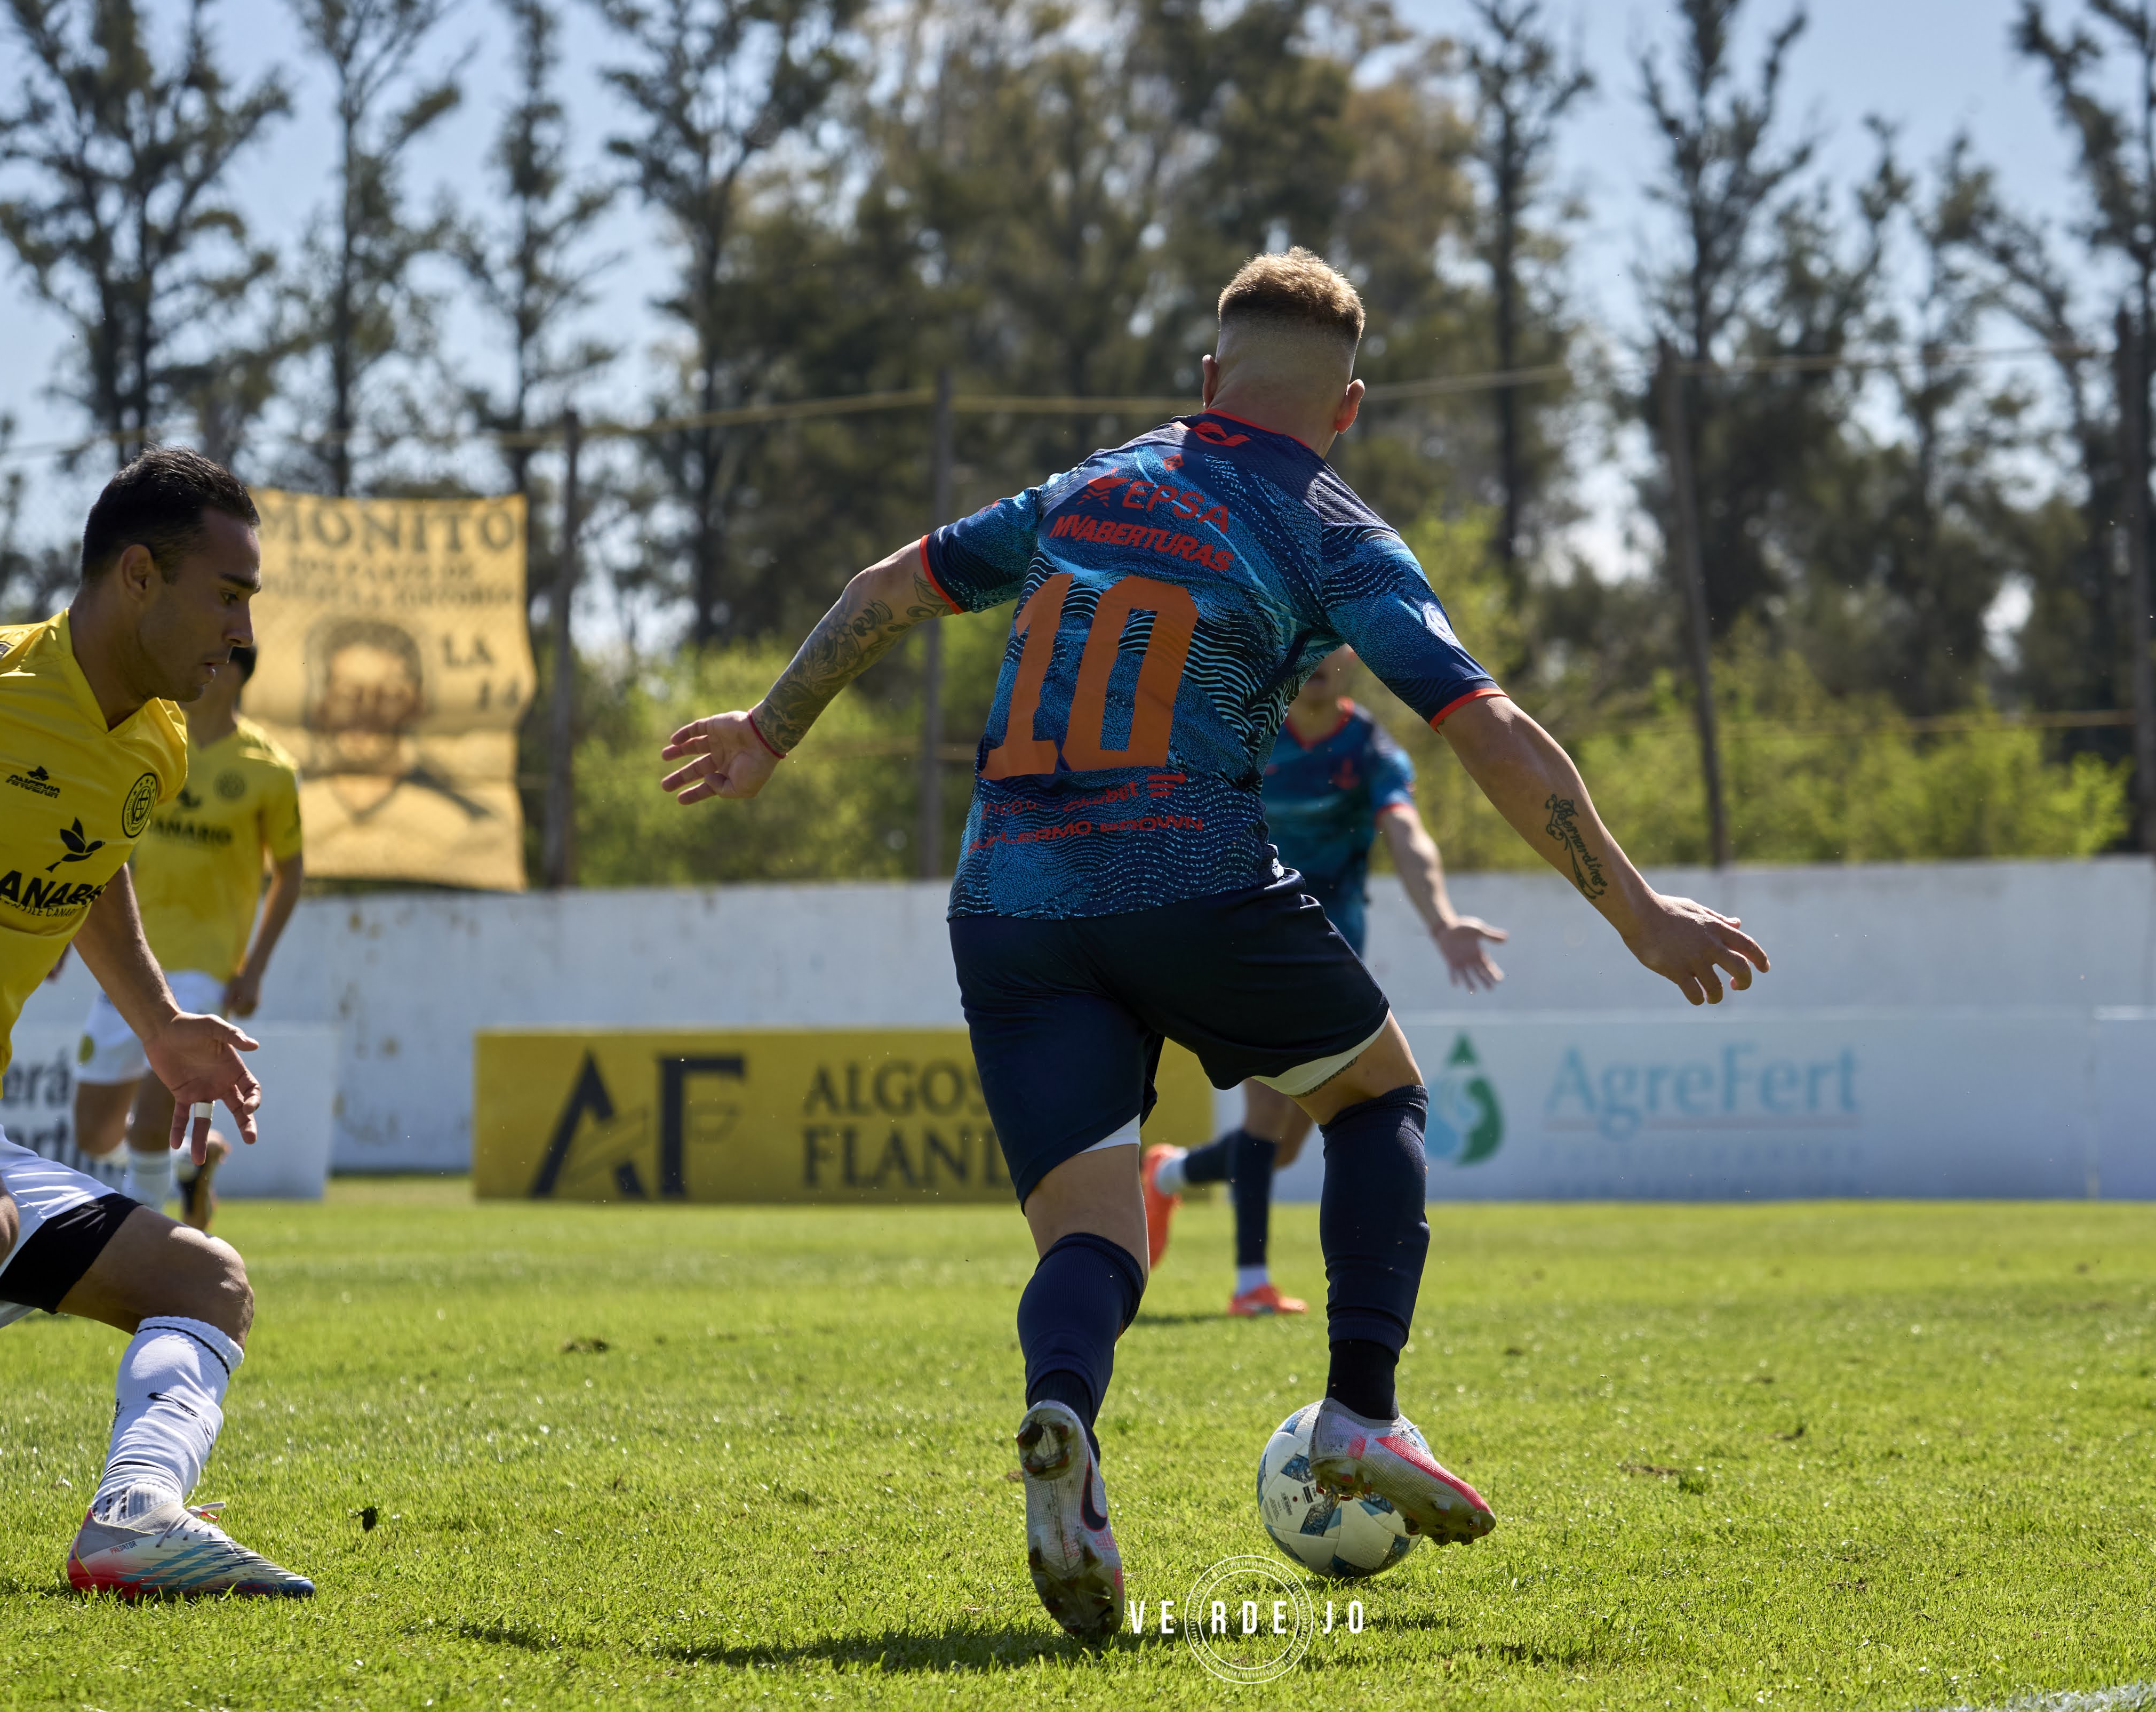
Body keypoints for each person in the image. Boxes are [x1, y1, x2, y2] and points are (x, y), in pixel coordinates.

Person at [659, 249, 1767, 1641]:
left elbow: (887, 585)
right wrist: (1637, 910)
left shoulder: (1089, 485)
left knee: (1090, 1230)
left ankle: (1061, 1414)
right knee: (1377, 1099)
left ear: (1205, 377)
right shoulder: (1330, 528)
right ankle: (1357, 1412)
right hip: (1186, 873)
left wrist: (766, 733)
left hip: (1007, 896)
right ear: (1346, 407)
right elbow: (1479, 726)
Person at [0, 446, 310, 1598]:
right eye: (230, 593)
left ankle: (133, 1513)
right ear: (137, 577)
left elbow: (93, 864)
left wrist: (161, 1020)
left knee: (206, 1283)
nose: (240, 629)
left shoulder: (159, 740)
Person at [1141, 644, 1506, 1315]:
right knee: (1266, 1115)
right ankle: (1250, 1283)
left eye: (1327, 646)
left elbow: (1407, 834)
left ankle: (1167, 1172)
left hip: (1335, 959)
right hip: (1249, 944)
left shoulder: (1369, 748)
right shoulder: (1249, 731)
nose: (1312, 659)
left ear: (1348, 659)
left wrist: (1444, 920)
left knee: (1281, 1149)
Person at [70, 642, 305, 1231]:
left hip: (204, 971)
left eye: (217, 657)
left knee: (152, 1120)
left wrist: (254, 967)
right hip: (132, 959)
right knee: (94, 1133)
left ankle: (139, 1259)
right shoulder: (151, 737)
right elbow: (105, 845)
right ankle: (190, 1169)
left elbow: (292, 871)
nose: (200, 662)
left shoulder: (268, 768)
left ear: (237, 675)